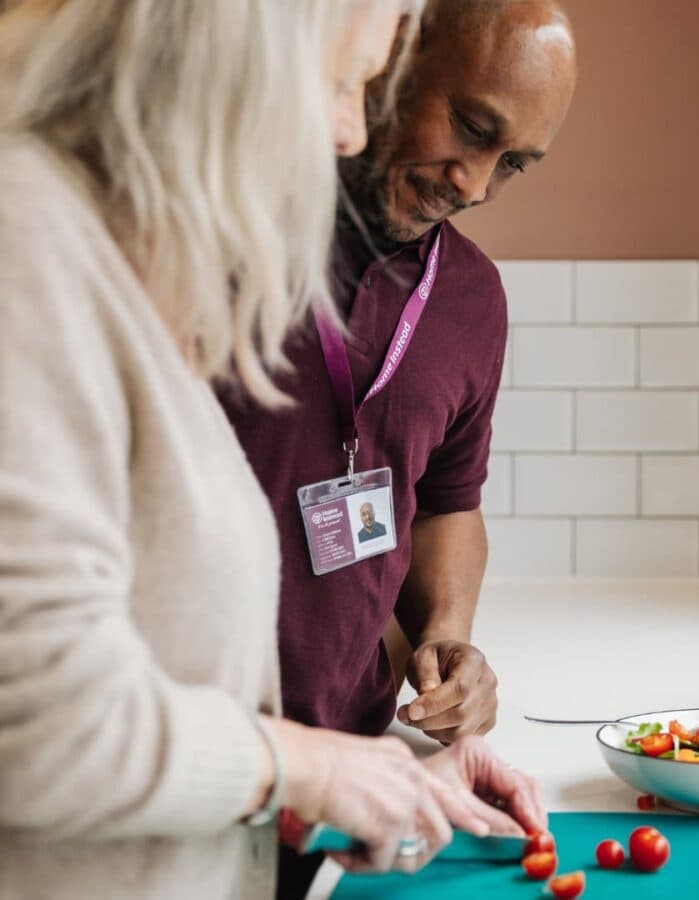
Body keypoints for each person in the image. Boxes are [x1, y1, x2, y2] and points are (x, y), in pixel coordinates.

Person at [0, 2, 544, 899]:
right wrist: (312, 768)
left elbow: (180, 681)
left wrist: (377, 776)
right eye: (345, 82)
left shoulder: (105, 259)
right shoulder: (34, 239)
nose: (344, 129)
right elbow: (41, 721)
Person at [220, 1, 576, 892]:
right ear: (394, 55)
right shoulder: (214, 232)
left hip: (352, 772)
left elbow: (450, 501)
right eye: (471, 126)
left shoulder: (473, 301)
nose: (474, 182)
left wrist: (448, 639)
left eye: (513, 163)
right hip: (197, 763)